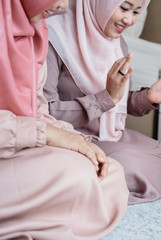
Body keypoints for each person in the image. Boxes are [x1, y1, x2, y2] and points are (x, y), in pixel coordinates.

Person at [0, 0, 129, 239]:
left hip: (21, 143)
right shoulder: (56, 39)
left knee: (111, 173)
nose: (63, 6)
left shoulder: (36, 32)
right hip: (12, 142)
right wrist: (48, 133)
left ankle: (45, 216)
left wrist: (76, 140)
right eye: (124, 8)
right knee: (77, 174)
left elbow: (36, 109)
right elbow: (51, 110)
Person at [44, 0, 161, 204]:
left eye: (137, 11)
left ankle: (98, 178)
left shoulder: (116, 42)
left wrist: (148, 97)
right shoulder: (54, 37)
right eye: (124, 8)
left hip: (107, 135)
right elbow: (46, 112)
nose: (129, 20)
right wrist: (106, 98)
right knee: (127, 165)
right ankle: (89, 180)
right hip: (69, 137)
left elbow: (119, 100)